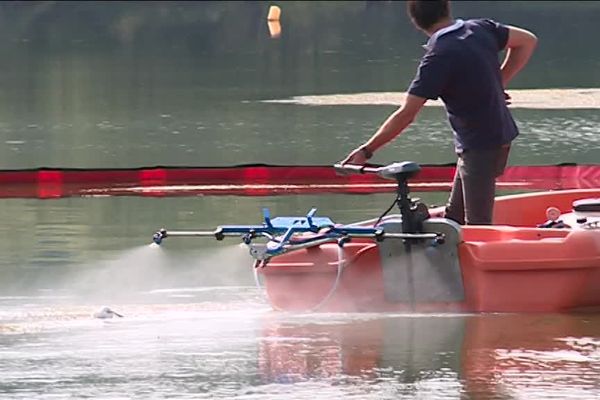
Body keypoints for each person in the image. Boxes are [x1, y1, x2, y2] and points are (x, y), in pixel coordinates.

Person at [341, 0, 537, 225]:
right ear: (447, 8)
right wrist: (498, 82)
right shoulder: (480, 28)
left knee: (478, 224)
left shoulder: (439, 56)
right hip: (495, 136)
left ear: (416, 23)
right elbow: (527, 41)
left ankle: (476, 257)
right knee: (455, 217)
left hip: (480, 144)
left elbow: (407, 114)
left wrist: (367, 151)